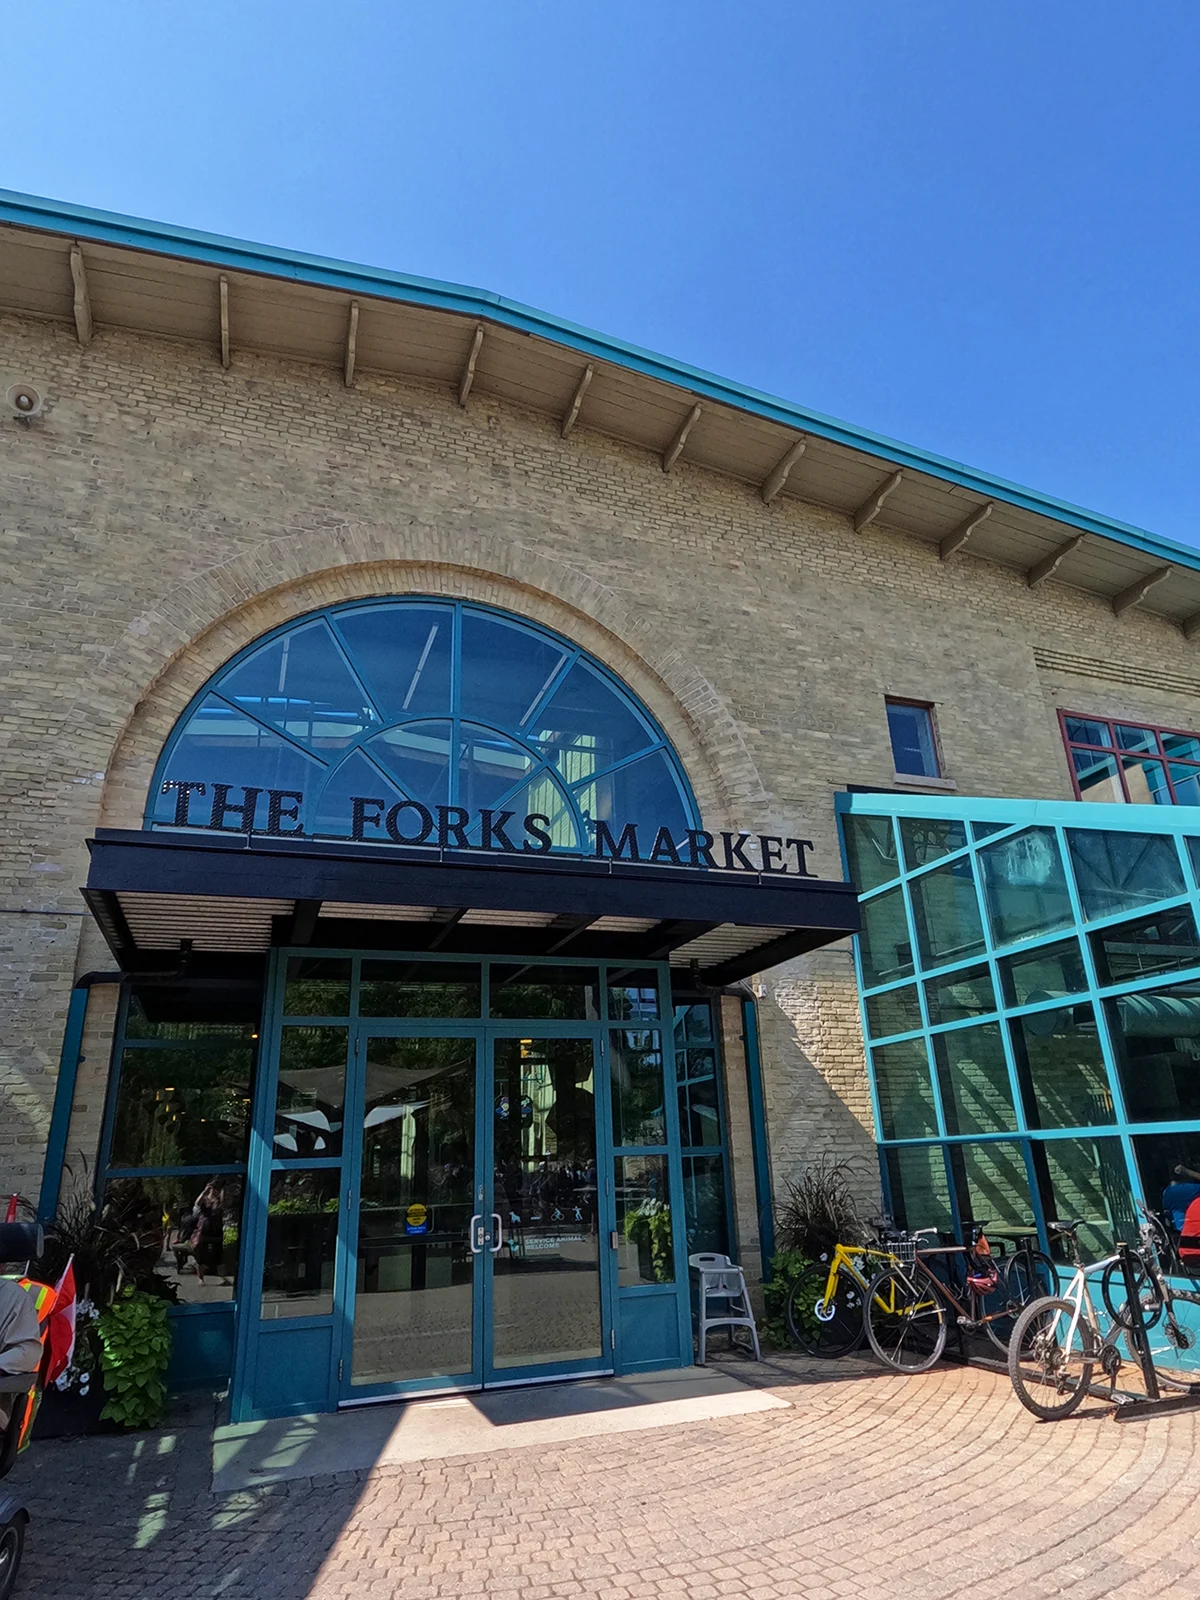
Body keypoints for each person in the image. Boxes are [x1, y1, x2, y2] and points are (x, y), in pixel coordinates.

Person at [1162, 1163, 1200, 1232]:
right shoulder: (1185, 1190)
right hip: (1193, 1231)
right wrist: (1188, 1172)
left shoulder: (1166, 1193)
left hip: (1182, 1231)